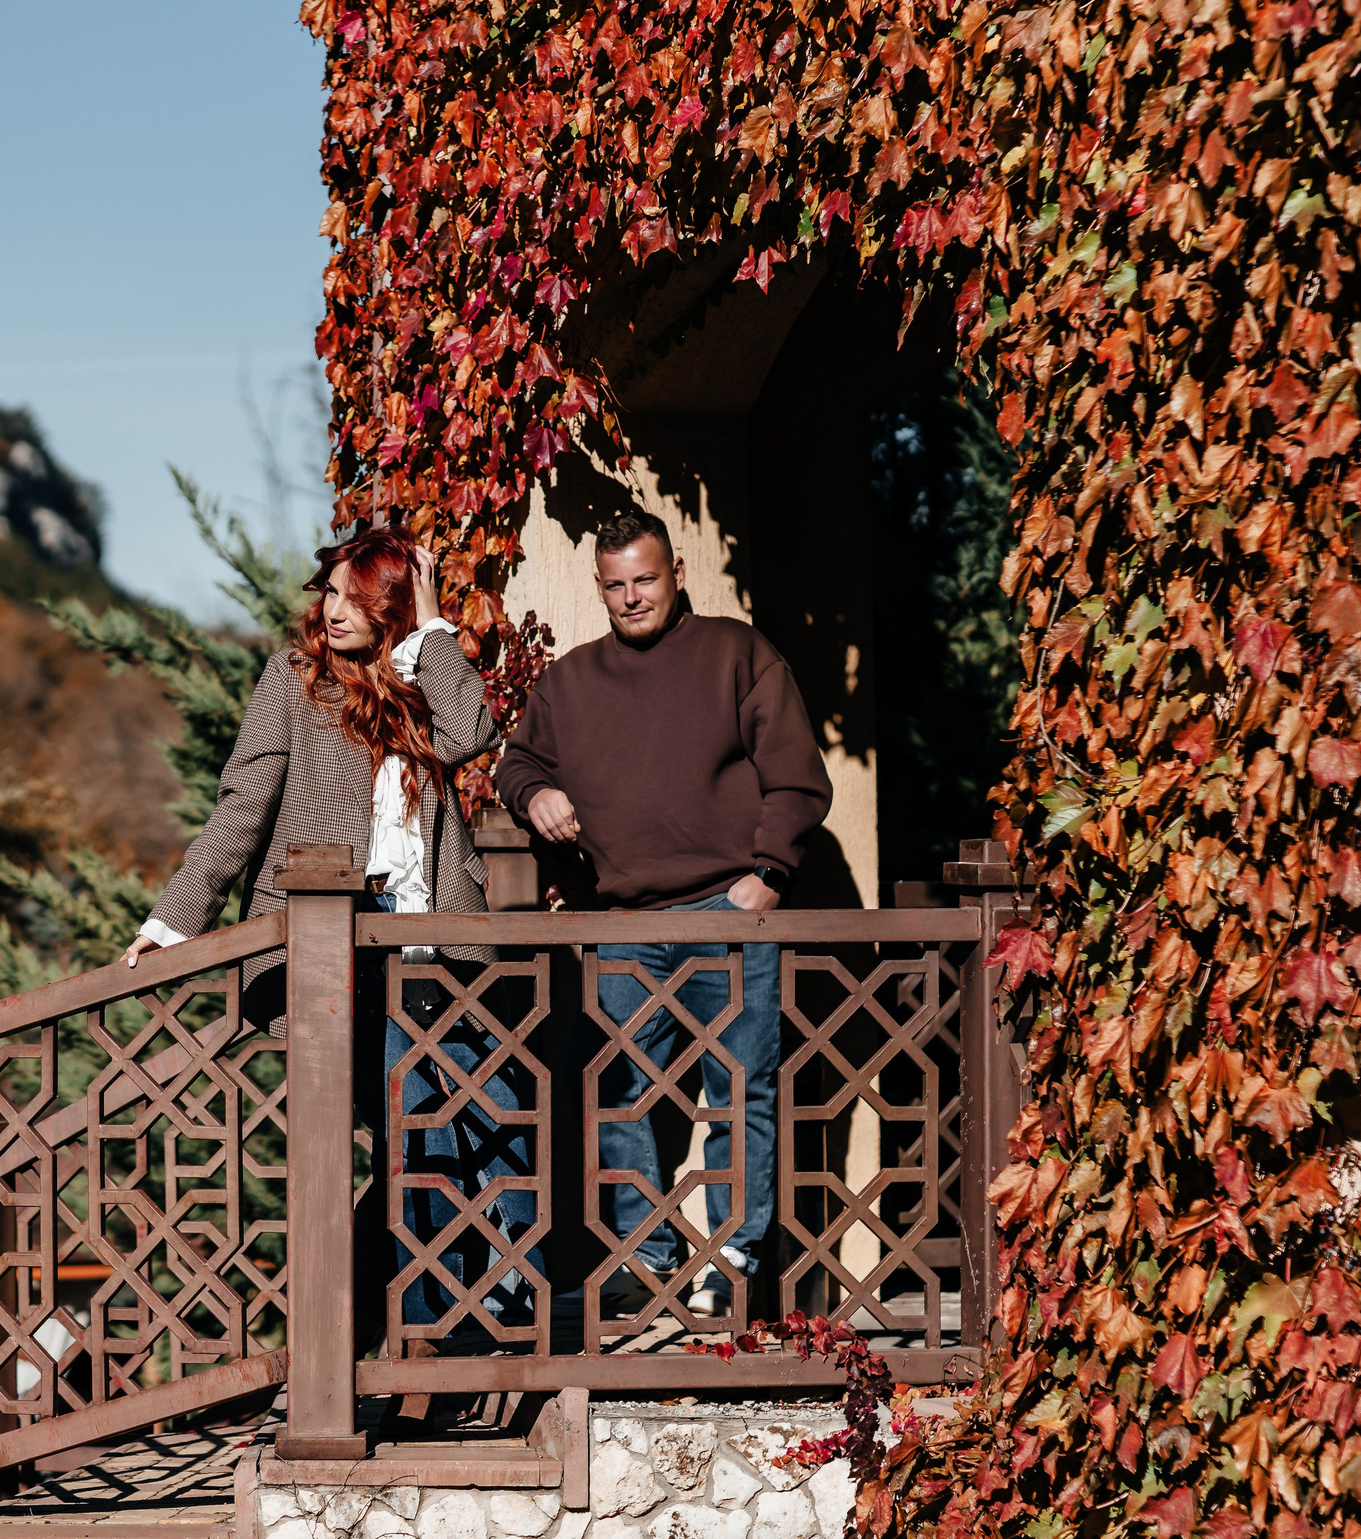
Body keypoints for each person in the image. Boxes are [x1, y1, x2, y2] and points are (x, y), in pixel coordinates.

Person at [123, 528, 535, 1332]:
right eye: (331, 593)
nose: (335, 610)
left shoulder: (419, 672)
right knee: (408, 1137)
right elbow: (242, 807)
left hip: (428, 940)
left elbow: (472, 733)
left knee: (451, 1136)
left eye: (357, 597)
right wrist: (174, 920)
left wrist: (431, 623)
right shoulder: (294, 679)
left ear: (391, 607)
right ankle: (413, 1333)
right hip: (336, 944)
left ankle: (438, 1328)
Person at [493, 509, 831, 1318]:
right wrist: (535, 792)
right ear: (600, 588)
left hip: (728, 910)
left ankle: (733, 1265)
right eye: (615, 585)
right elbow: (519, 762)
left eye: (645, 578)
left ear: (678, 571)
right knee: (617, 1095)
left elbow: (798, 776)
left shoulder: (738, 653)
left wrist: (769, 875)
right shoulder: (570, 681)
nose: (632, 596)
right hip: (623, 923)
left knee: (740, 1092)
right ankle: (646, 1257)